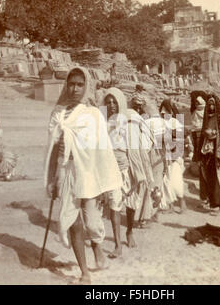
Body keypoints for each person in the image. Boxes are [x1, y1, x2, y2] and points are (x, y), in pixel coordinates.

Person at [43, 67, 122, 284]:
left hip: (88, 172)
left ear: (86, 85)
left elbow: (102, 150)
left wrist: (104, 184)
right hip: (66, 171)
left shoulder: (93, 114)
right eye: (71, 83)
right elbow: (51, 149)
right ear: (66, 85)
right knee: (72, 221)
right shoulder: (58, 113)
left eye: (79, 84)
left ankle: (97, 245)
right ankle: (85, 272)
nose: (75, 88)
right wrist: (51, 179)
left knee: (93, 221)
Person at [102, 87, 151, 256]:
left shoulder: (130, 120)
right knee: (115, 205)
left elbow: (140, 145)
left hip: (128, 168)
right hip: (111, 168)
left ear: (120, 102)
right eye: (108, 102)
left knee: (131, 205)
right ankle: (117, 245)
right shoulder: (104, 122)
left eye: (114, 101)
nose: (112, 105)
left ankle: (129, 231)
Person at [127, 94, 156, 227]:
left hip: (138, 156)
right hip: (140, 157)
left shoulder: (134, 118)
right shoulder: (135, 119)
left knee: (138, 189)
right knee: (141, 188)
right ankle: (141, 219)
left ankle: (139, 218)